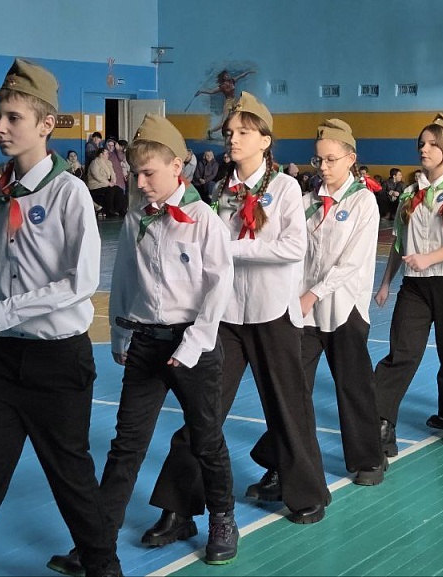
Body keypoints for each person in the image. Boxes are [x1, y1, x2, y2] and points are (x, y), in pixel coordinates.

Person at [0, 58, 121, 577]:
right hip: (3, 362)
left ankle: (105, 570)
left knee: (72, 483)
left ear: (46, 125)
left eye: (13, 117)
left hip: (57, 362)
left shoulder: (69, 192)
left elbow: (80, 283)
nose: (0, 127)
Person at [47, 114, 239, 577]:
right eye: (135, 174)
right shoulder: (137, 217)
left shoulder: (204, 220)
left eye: (149, 173)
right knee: (126, 446)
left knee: (206, 439)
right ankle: (97, 542)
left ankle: (222, 518)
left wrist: (191, 347)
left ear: (176, 167)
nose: (141, 183)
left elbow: (218, 289)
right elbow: (124, 280)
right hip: (146, 343)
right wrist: (120, 334)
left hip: (192, 345)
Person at [143, 92, 330, 540]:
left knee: (288, 408)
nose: (233, 139)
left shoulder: (286, 189)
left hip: (273, 312)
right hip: (225, 314)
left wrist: (228, 249)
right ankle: (177, 509)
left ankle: (306, 493)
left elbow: (292, 248)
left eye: (243, 132)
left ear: (265, 140)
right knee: (202, 411)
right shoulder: (221, 192)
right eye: (229, 132)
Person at [373, 114, 443, 451]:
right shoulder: (410, 193)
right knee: (402, 353)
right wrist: (385, 283)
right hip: (415, 287)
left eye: (433, 144)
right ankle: (381, 424)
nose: (424, 149)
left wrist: (429, 258)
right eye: (421, 144)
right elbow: (399, 243)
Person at [294, 119, 385, 485]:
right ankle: (283, 463)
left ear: (351, 158)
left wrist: (312, 293)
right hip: (305, 313)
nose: (324, 167)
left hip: (344, 309)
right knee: (292, 387)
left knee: (353, 387)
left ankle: (369, 460)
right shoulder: (306, 203)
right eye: (318, 160)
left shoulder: (363, 202)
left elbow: (351, 262)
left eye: (331, 160)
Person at [196, 69, 254, 140]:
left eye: (227, 74)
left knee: (236, 117)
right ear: (223, 77)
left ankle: (234, 134)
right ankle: (210, 132)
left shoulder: (232, 81)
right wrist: (201, 92)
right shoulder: (222, 86)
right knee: (223, 123)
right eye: (226, 75)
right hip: (228, 103)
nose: (228, 75)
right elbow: (212, 91)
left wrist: (248, 72)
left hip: (234, 102)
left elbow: (241, 76)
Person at [87, 148, 124, 218]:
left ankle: (120, 210)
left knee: (119, 190)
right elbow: (97, 175)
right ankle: (109, 210)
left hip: (107, 184)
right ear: (101, 154)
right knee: (110, 190)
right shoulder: (94, 162)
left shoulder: (108, 162)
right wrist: (108, 183)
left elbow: (113, 173)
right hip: (96, 185)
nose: (108, 155)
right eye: (106, 153)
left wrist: (113, 181)